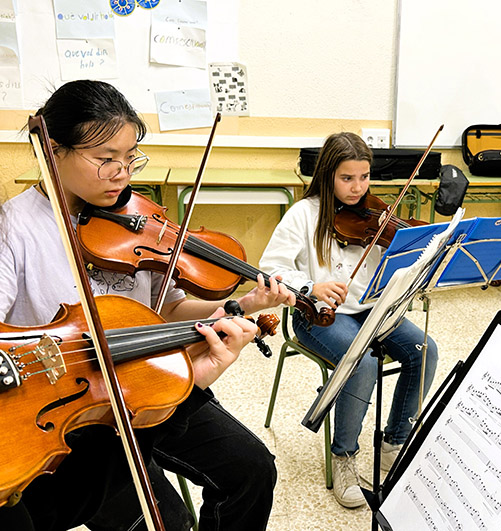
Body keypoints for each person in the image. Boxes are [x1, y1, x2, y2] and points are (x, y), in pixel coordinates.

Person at [0, 80, 295, 530]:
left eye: (129, 157)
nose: (123, 173)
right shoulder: (14, 227)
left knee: (252, 469)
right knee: (167, 523)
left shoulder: (137, 221)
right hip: (74, 405)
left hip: (151, 376)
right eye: (105, 159)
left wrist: (242, 304)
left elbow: (170, 309)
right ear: (53, 149)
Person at [259, 132, 438, 508]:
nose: (358, 188)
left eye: (364, 177)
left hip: (372, 309)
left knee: (424, 349)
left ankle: (394, 442)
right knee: (362, 364)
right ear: (327, 176)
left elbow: (393, 269)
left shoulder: (376, 214)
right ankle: (344, 457)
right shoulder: (303, 215)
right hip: (318, 316)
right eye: (347, 178)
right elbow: (270, 269)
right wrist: (311, 285)